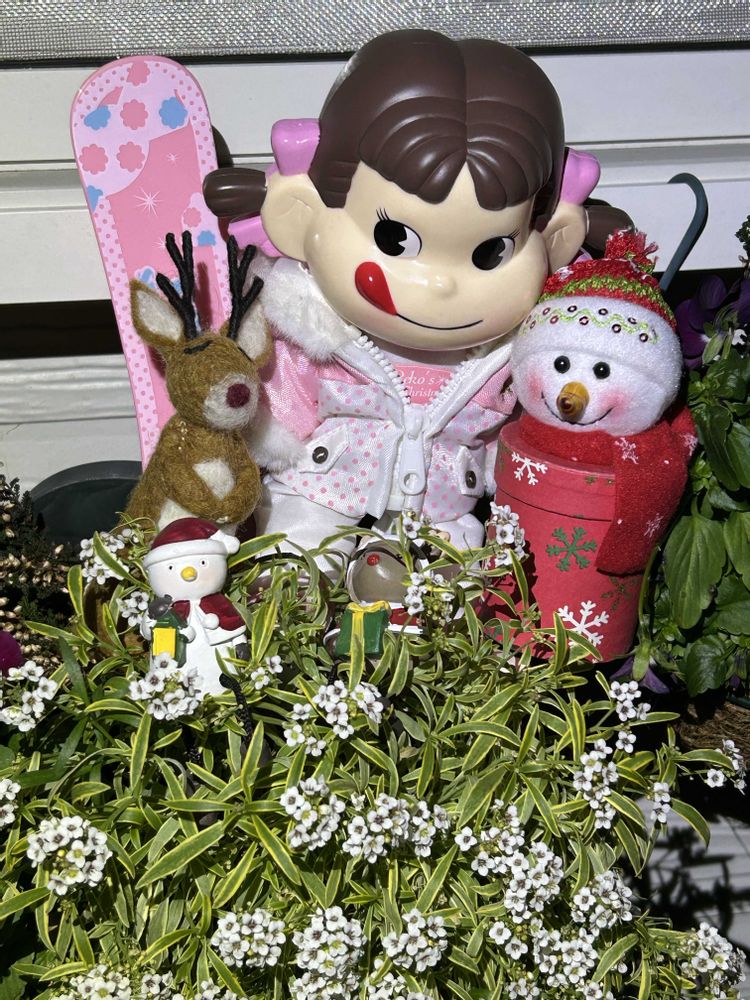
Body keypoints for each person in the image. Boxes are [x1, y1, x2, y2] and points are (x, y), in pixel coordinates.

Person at [204, 29, 626, 571]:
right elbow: (279, 408)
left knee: (450, 574)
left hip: (444, 507)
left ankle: (421, 601)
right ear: (302, 214)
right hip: (321, 486)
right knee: (297, 548)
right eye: (394, 239)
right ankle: (294, 589)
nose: (443, 285)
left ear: (555, 238)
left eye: (492, 251)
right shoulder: (311, 331)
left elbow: (527, 434)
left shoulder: (518, 358)